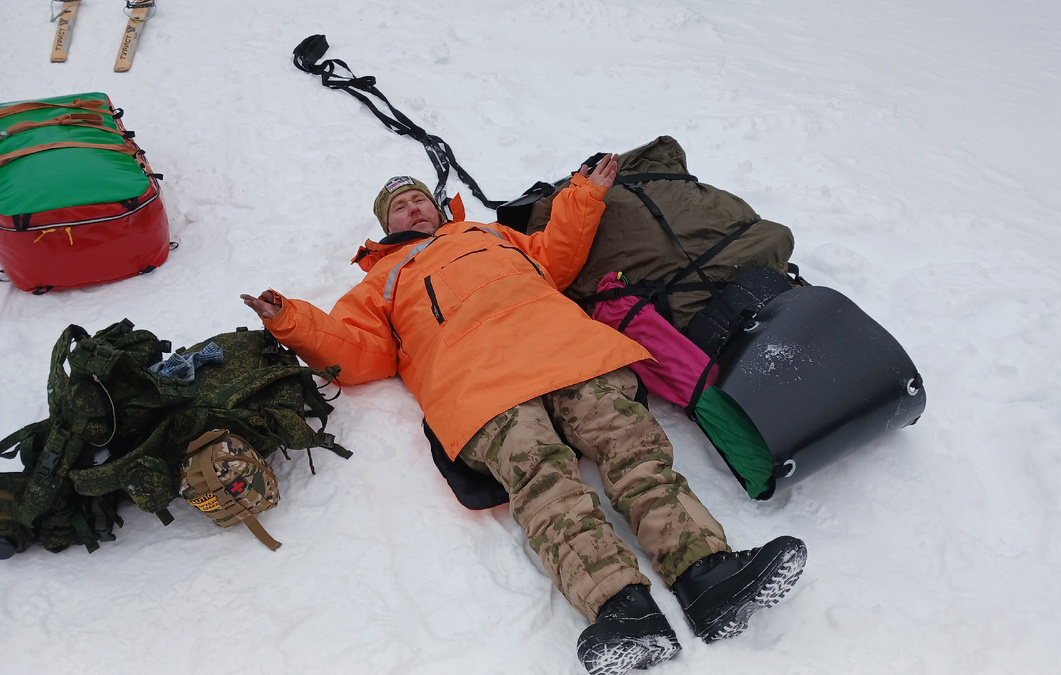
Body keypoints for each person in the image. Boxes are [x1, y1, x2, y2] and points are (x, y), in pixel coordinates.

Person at [242, 154, 806, 675]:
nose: (412, 208)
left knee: (634, 448)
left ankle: (709, 575)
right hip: (479, 383)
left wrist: (584, 195)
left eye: (418, 199)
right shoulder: (379, 282)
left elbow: (556, 256)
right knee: (542, 480)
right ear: (385, 226)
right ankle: (621, 610)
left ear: (437, 207)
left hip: (566, 349)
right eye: (399, 207)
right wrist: (290, 320)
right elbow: (358, 354)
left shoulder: (491, 234)